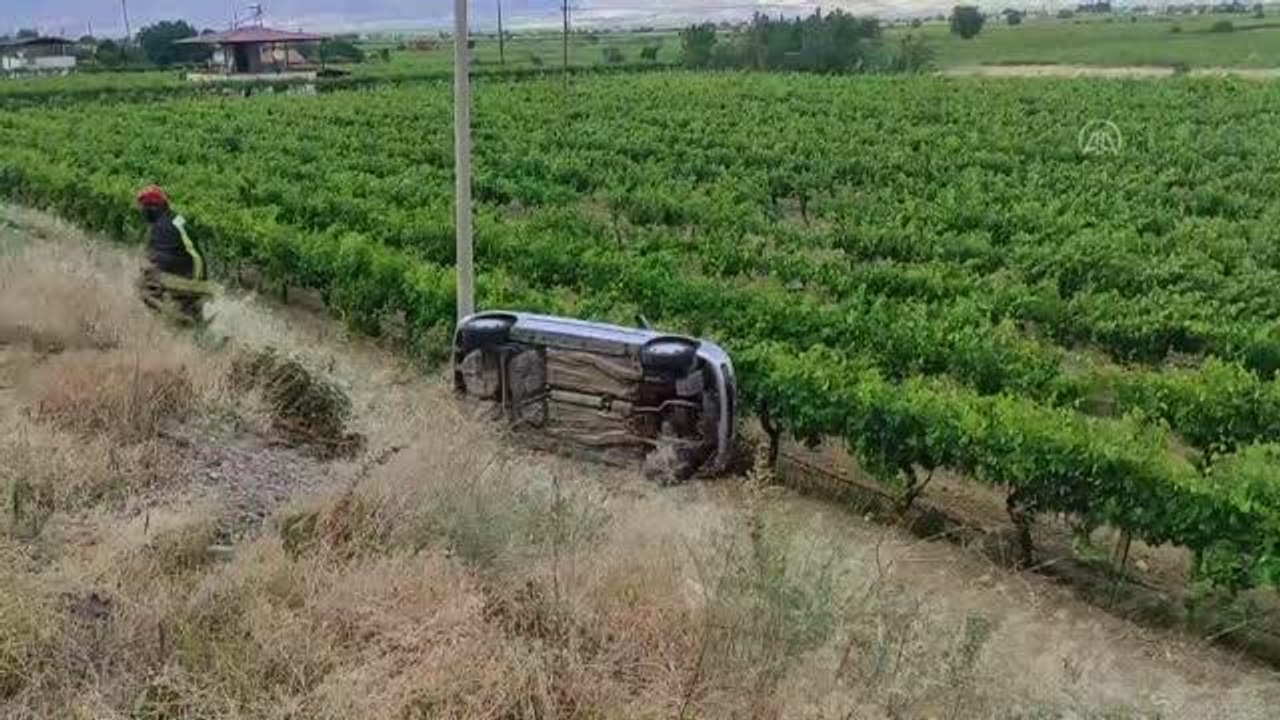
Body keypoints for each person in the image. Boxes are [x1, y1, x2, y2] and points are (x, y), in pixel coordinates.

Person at [135, 185, 212, 324]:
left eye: (143, 208)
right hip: (200, 277)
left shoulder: (162, 228)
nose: (142, 212)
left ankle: (172, 325)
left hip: (190, 282)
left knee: (144, 287)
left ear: (152, 208)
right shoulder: (176, 219)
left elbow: (160, 260)